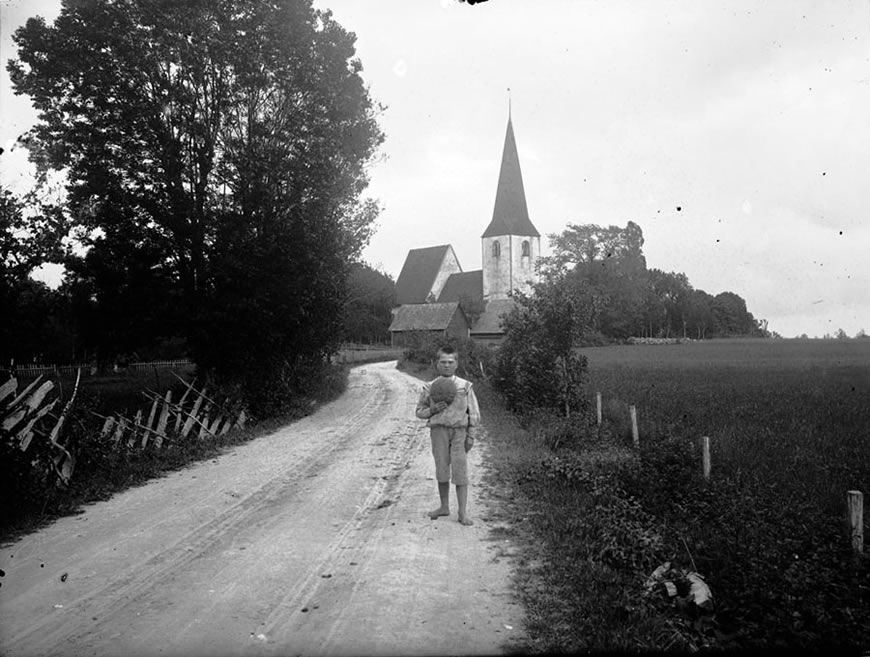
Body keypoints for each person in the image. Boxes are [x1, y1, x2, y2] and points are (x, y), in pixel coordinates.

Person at [415, 345, 481, 526]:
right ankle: (444, 507)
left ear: (456, 364)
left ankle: (462, 512)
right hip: (439, 432)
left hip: (460, 432)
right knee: (442, 469)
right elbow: (419, 412)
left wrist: (471, 435)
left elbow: (473, 413)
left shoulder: (465, 386)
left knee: (460, 471)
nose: (446, 365)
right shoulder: (429, 387)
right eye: (442, 362)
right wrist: (432, 410)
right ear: (437, 364)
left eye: (450, 362)